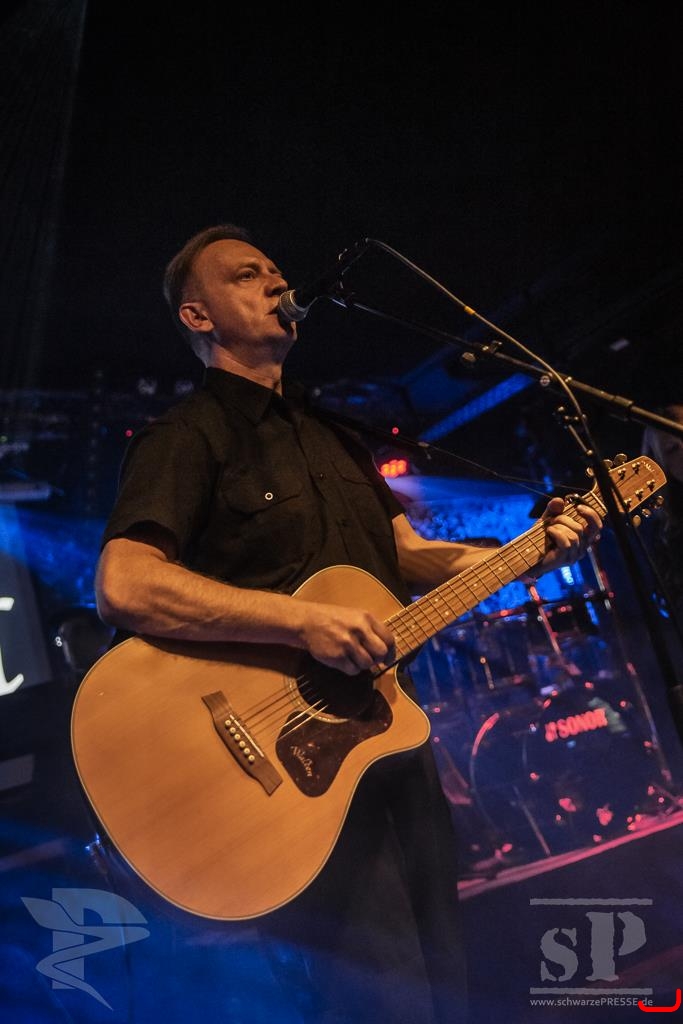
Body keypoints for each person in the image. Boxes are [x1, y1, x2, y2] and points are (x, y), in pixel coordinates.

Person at [94, 223, 602, 1024]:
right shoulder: (186, 436)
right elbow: (125, 584)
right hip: (285, 776)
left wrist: (531, 551)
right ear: (198, 316)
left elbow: (411, 555)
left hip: (388, 744)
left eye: (274, 269)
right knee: (382, 1000)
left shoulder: (334, 435)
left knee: (448, 983)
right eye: (246, 274)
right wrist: (300, 624)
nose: (275, 280)